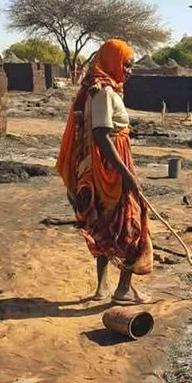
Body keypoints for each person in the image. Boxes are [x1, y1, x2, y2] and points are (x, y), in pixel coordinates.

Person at [55, 39, 153, 305]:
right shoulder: (104, 92)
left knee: (104, 225)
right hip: (109, 169)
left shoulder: (102, 90)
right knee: (130, 225)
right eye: (127, 64)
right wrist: (127, 175)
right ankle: (122, 290)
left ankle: (102, 288)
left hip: (106, 166)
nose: (130, 70)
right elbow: (101, 135)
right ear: (112, 62)